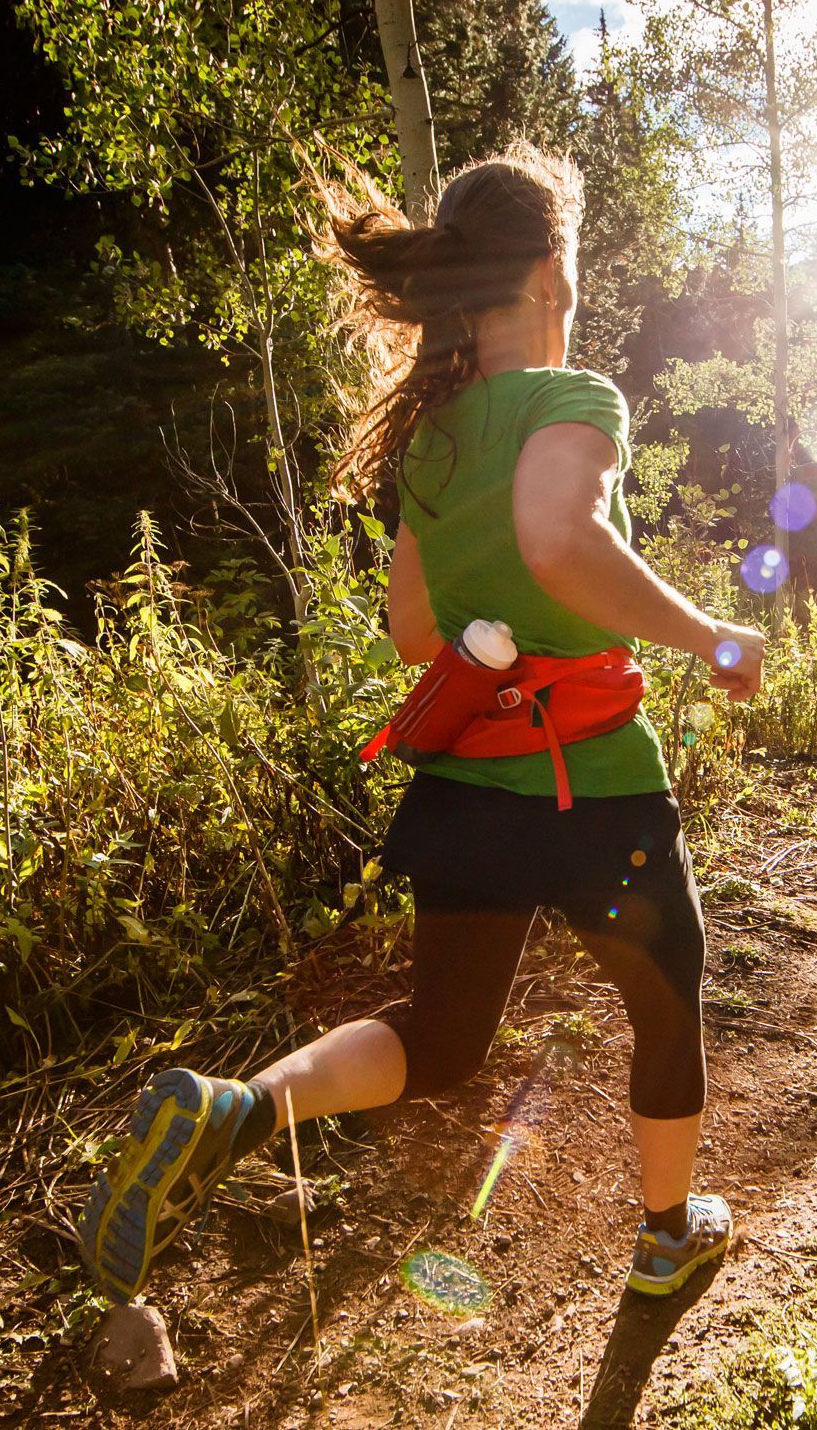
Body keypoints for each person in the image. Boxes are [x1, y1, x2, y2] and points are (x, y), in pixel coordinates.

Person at [79, 144, 766, 1305]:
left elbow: (411, 628)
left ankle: (238, 1110)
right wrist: (711, 636)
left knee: (440, 1036)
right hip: (592, 780)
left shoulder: (433, 438)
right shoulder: (573, 397)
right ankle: (666, 1234)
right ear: (554, 272)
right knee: (664, 994)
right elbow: (558, 538)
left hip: (465, 783)